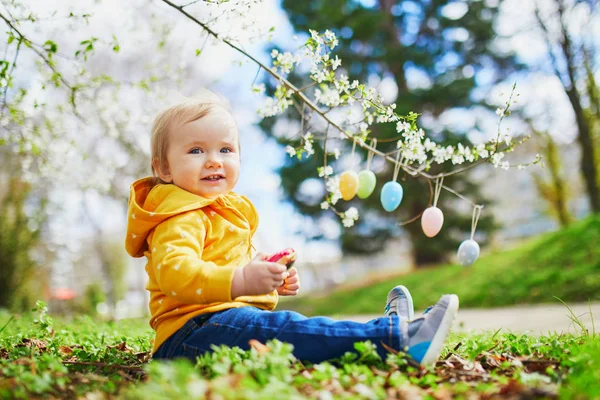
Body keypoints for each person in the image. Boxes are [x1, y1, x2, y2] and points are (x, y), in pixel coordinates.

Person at [125, 89, 459, 366]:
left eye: (225, 149)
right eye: (196, 150)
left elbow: (230, 279)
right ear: (164, 168)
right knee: (288, 329)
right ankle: (398, 338)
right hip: (187, 337)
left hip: (215, 324)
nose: (214, 160)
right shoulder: (179, 214)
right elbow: (176, 273)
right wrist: (241, 280)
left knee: (286, 329)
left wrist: (268, 283)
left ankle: (390, 328)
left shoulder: (220, 214)